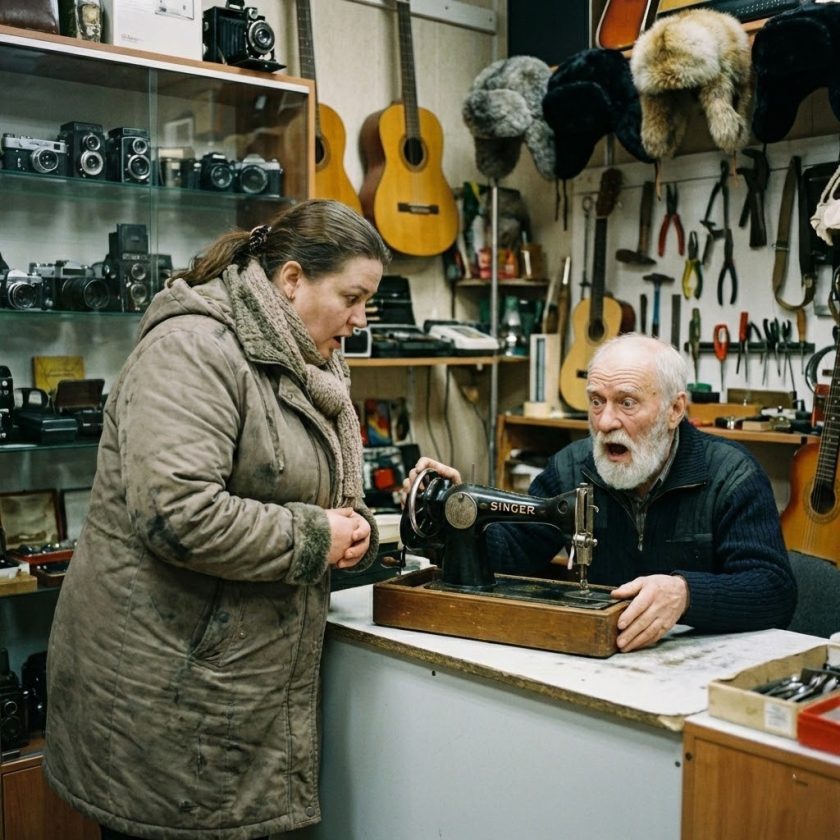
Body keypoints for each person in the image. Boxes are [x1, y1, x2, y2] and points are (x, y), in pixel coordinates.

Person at [44, 199, 391, 840]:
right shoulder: (193, 348)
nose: (360, 319)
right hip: (163, 693)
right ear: (291, 280)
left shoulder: (306, 361)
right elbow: (177, 513)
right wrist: (318, 536)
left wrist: (353, 522)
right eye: (352, 296)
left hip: (228, 688)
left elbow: (300, 478)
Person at [406, 333, 797, 653]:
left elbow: (774, 590)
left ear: (675, 410)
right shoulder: (572, 468)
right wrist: (454, 518)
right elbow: (511, 555)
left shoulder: (732, 476)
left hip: (702, 666)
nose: (606, 422)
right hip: (601, 659)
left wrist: (686, 593)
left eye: (627, 403)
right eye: (596, 402)